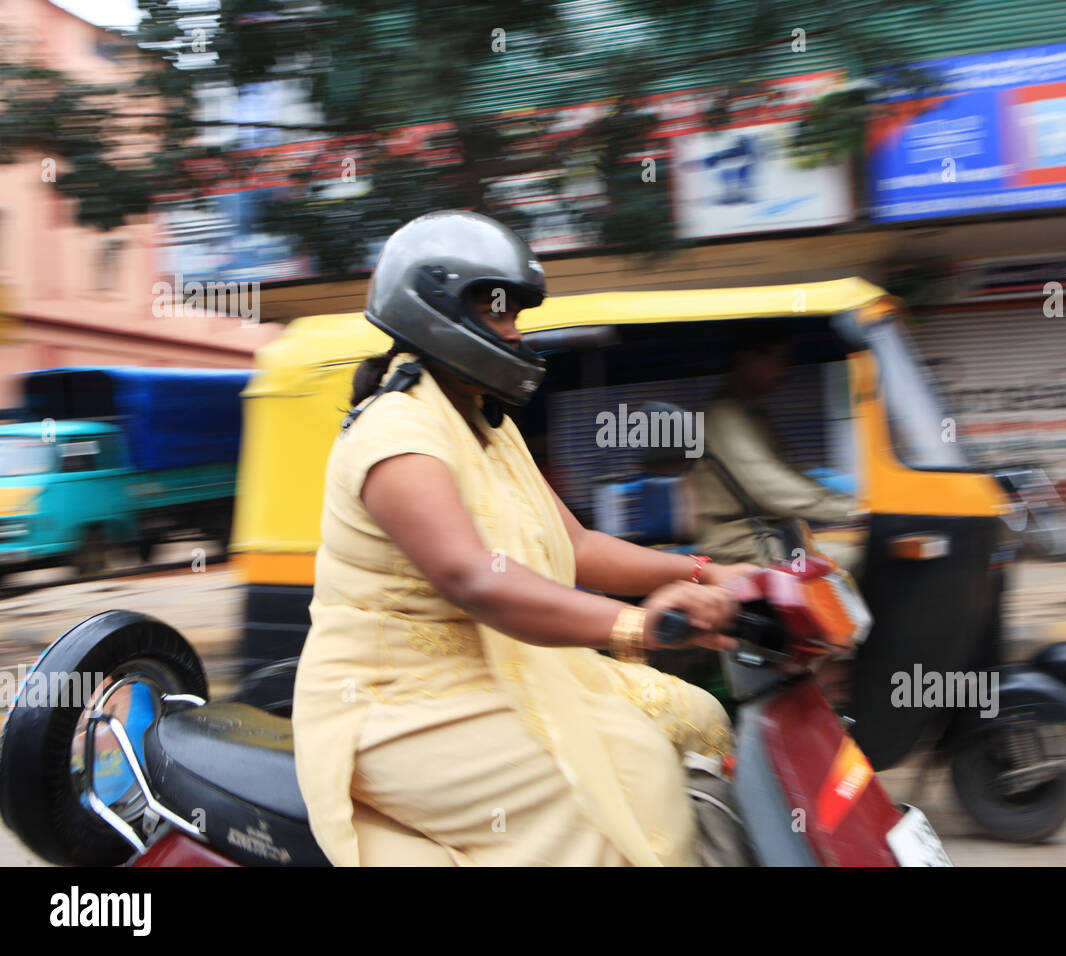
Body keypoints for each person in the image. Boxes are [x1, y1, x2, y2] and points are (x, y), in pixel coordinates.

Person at [291, 211, 758, 866]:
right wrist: (641, 628)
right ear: (433, 311)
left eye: (515, 314)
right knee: (633, 779)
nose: (515, 332)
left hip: (498, 669)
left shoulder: (489, 424)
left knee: (699, 716)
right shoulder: (395, 430)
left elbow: (581, 548)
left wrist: (706, 573)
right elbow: (474, 580)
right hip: (400, 706)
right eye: (497, 312)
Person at [689, 325, 860, 569]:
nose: (784, 371)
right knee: (855, 559)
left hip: (774, 537)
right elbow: (771, 487)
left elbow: (789, 474)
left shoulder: (752, 413)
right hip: (744, 547)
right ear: (745, 358)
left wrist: (849, 504)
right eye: (778, 359)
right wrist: (850, 509)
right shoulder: (725, 416)